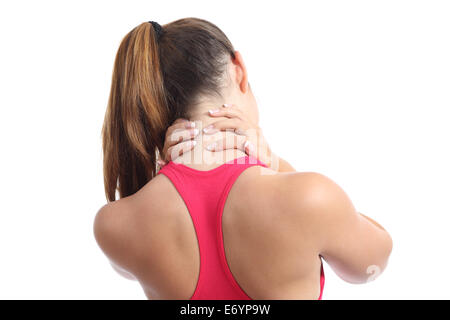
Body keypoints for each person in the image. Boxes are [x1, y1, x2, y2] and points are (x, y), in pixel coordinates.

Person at [94, 18, 393, 300]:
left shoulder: (115, 224)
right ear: (238, 69)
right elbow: (375, 261)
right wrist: (275, 164)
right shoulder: (310, 197)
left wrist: (162, 170)